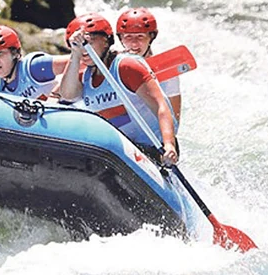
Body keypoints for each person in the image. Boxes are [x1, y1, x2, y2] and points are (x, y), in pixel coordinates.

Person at [58, 12, 179, 165]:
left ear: (107, 41)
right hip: (121, 153)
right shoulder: (85, 75)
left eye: (90, 40)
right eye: (76, 44)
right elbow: (68, 95)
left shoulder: (127, 66)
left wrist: (169, 144)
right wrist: (74, 54)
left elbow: (161, 107)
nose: (84, 48)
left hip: (154, 147)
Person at [116, 8, 181, 122]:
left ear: (151, 37)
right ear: (120, 38)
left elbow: (174, 118)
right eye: (128, 37)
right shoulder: (112, 64)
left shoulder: (166, 70)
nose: (134, 43)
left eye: (140, 36)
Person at [0, 25, 69, 100]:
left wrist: (56, 93)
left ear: (14, 53)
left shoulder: (34, 67)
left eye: (0, 53)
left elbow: (80, 61)